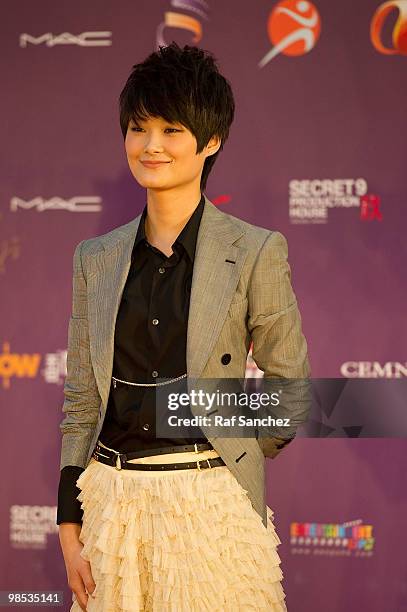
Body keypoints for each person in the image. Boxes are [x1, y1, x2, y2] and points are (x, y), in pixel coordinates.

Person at [57, 42, 310, 611]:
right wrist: (70, 526)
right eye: (138, 128)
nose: (151, 146)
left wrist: (223, 453)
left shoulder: (254, 251)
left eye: (171, 129)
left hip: (211, 509)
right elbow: (81, 401)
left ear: (211, 140)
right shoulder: (94, 258)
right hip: (110, 509)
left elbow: (289, 392)